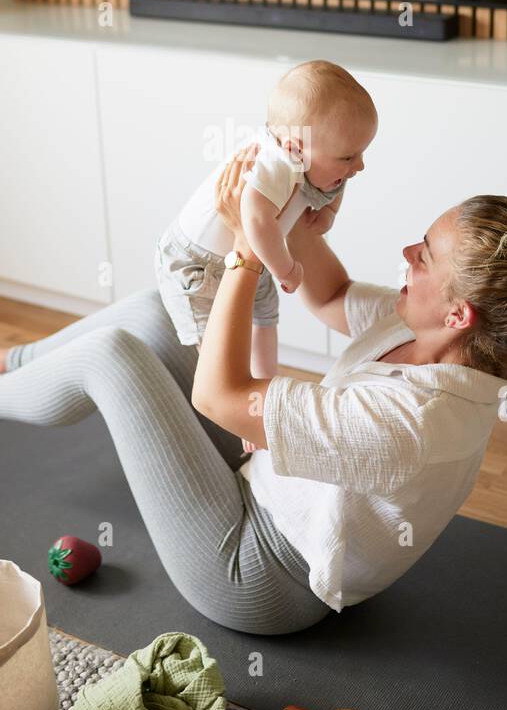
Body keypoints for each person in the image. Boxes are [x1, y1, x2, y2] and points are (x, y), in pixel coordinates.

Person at [0, 150, 507, 636]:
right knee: (152, 313)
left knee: (113, 358)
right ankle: (6, 362)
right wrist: (299, 223)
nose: (408, 255)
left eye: (426, 255)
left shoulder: (416, 421)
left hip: (257, 576)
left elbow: (221, 397)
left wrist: (244, 255)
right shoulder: (430, 332)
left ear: (459, 314)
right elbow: (331, 294)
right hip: (269, 484)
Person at [154, 59, 377, 454]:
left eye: (360, 153)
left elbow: (331, 186)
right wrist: (287, 268)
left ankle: (262, 386)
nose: (359, 165)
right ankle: (238, 404)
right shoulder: (275, 162)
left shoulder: (309, 157)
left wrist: (329, 208)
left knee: (265, 317)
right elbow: (254, 221)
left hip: (246, 264)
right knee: (219, 346)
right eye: (347, 157)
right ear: (294, 149)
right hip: (196, 263)